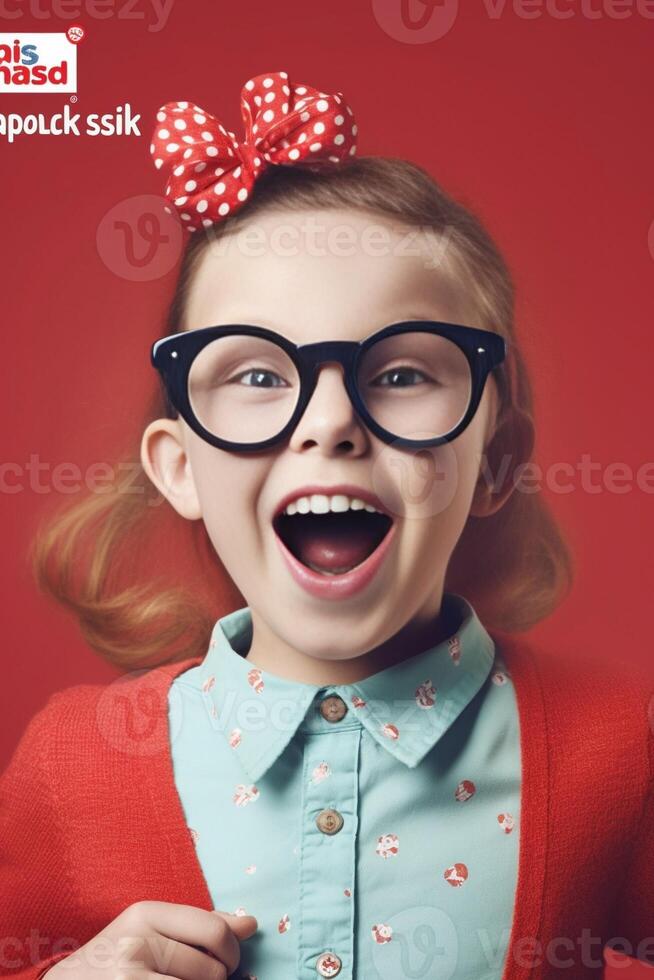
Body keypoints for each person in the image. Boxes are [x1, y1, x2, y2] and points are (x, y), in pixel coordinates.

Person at [1, 70, 652, 980]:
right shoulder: (71, 764)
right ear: (181, 469)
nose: (330, 421)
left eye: (401, 373)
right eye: (259, 375)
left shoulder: (620, 749)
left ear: (496, 461)